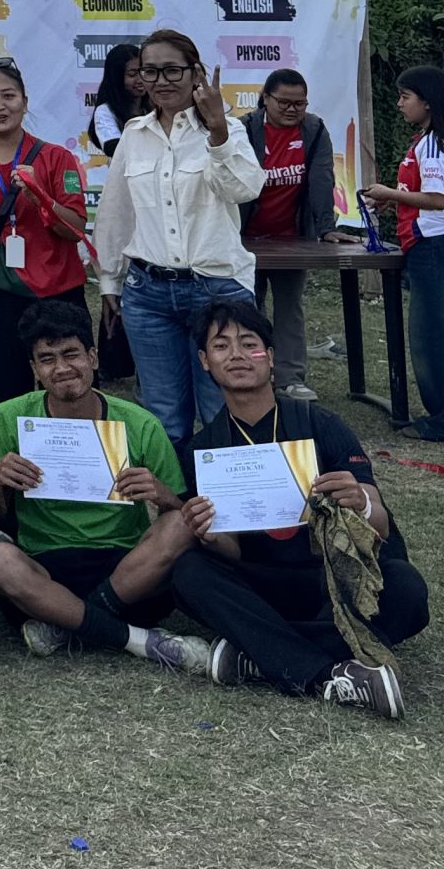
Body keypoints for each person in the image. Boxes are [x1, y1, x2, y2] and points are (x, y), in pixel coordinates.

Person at [172, 300, 429, 719]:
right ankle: (331, 674)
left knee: (406, 589)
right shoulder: (204, 449)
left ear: (271, 357)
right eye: (221, 346)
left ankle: (258, 656)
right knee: (188, 572)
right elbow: (233, 553)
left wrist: (360, 500)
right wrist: (212, 537)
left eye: (250, 344)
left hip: (335, 579)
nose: (237, 355)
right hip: (265, 585)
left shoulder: (320, 423)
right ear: (204, 361)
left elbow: (380, 526)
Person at [0, 297, 204, 671]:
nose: (62, 368)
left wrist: (161, 494)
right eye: (47, 359)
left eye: (71, 354)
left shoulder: (140, 423)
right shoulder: (13, 415)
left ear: (93, 358)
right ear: (34, 369)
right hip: (44, 568)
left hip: (125, 569)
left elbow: (182, 514)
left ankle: (65, 626)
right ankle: (135, 640)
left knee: (180, 524)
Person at [91, 27, 262, 449]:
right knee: (164, 416)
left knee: (224, 408)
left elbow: (245, 188)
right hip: (148, 295)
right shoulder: (134, 134)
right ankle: (177, 491)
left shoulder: (227, 129)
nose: (160, 81)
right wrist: (110, 281)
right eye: (149, 71)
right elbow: (116, 212)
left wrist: (217, 131)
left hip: (217, 288)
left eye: (172, 70)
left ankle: (229, 491)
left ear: (195, 72)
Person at [0, 55, 93, 417]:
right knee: (6, 396)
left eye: (8, 96)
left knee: (71, 391)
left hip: (58, 290)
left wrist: (41, 196)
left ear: (25, 103)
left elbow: (74, 227)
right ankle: (13, 454)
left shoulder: (58, 158)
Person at [237, 69, 336, 401]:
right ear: (265, 98)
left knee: (289, 307)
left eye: (300, 103)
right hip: (242, 237)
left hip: (290, 238)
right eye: (284, 102)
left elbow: (322, 179)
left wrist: (326, 228)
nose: (293, 110)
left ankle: (290, 378)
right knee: (246, 308)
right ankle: (252, 375)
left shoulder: (314, 130)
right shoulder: (243, 129)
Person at [360, 66, 444, 441]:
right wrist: (395, 202)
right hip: (427, 245)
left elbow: (439, 199)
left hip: (434, 246)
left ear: (427, 101)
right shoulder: (425, 139)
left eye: (405, 96)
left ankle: (440, 420)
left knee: (430, 337)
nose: (398, 104)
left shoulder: (434, 142)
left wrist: (389, 194)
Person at [86, 43, 146, 158]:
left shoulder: (157, 106)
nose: (140, 80)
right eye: (132, 74)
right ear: (117, 78)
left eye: (144, 72)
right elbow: (114, 149)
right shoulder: (105, 111)